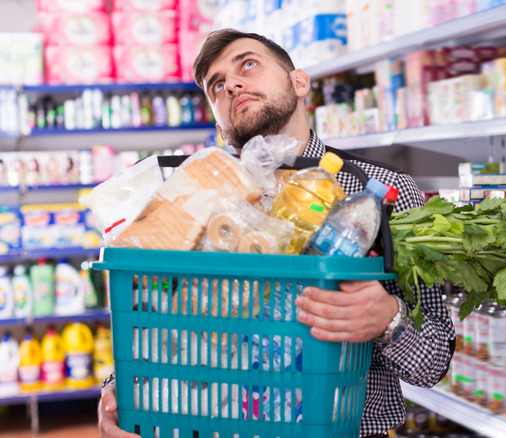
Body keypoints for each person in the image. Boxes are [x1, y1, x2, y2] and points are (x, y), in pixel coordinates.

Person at [97, 29, 455, 438]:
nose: (231, 84)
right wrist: (117, 387)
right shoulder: (190, 196)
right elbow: (151, 321)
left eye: (247, 64)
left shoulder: (379, 191)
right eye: (216, 85)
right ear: (217, 121)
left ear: (299, 82)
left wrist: (387, 321)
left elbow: (433, 363)